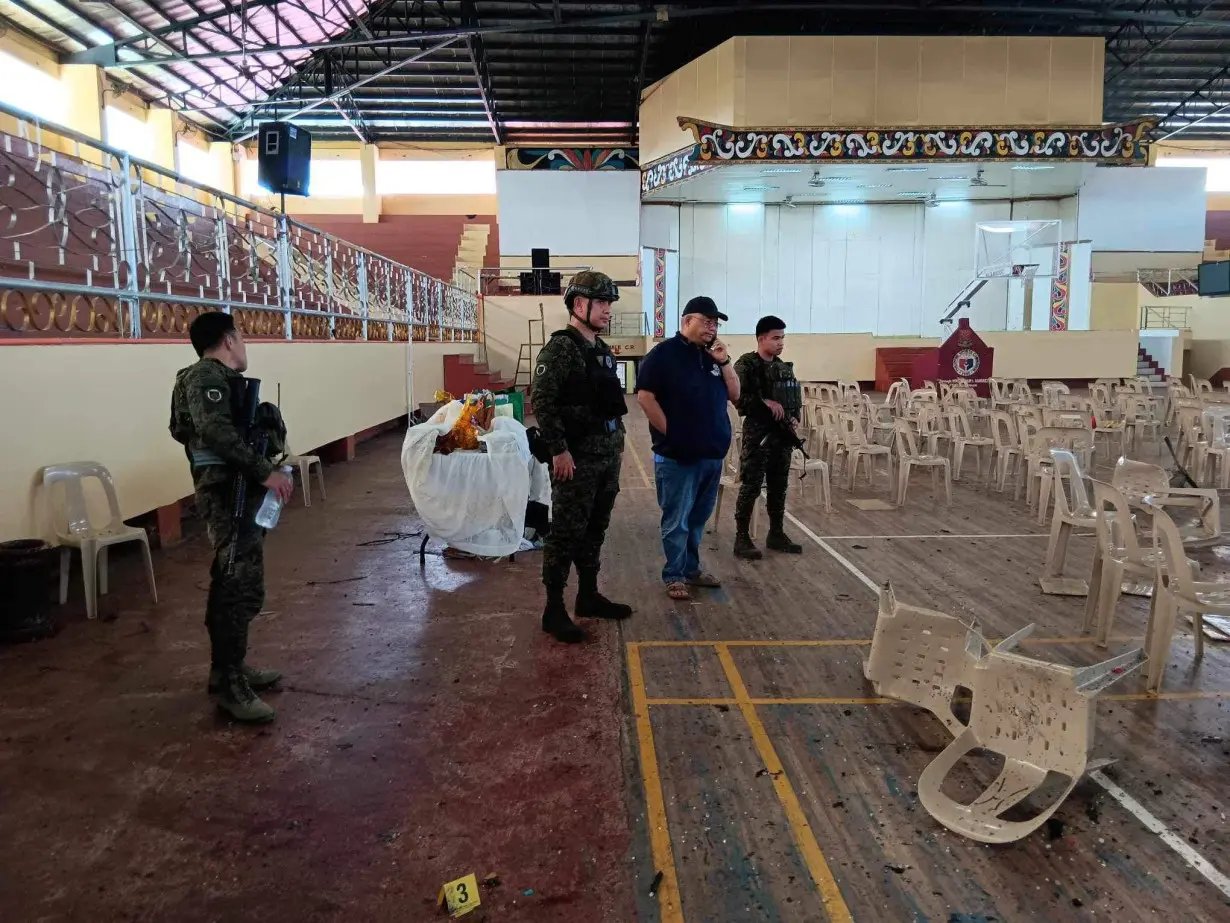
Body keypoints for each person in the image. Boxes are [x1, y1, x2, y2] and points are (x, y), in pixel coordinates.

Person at [169, 312, 294, 723]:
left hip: (236, 490)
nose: (244, 346)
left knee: (236, 580)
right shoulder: (205, 377)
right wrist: (264, 472)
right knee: (236, 584)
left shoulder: (214, 380)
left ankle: (228, 669)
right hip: (227, 494)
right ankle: (229, 686)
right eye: (240, 338)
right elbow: (216, 433)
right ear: (228, 340)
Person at [531, 271, 633, 643]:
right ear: (579, 304)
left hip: (605, 458)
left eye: (609, 303)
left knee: (595, 530)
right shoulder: (561, 349)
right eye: (602, 303)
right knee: (566, 533)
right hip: (575, 460)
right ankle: (553, 607)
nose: (608, 311)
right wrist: (558, 449)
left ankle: (587, 595)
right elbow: (542, 400)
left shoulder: (600, 350)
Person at [636, 296, 740, 600]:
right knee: (677, 520)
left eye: (715, 323)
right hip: (678, 457)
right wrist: (674, 434)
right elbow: (645, 397)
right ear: (686, 322)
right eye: (706, 321)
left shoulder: (712, 358)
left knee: (697, 520)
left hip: (711, 455)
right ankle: (675, 575)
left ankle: (692, 569)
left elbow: (735, 394)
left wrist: (725, 362)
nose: (712, 328)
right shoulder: (663, 355)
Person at [733, 315, 804, 559]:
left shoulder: (784, 368)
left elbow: (793, 397)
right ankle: (741, 537)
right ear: (761, 338)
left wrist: (794, 417)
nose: (780, 343)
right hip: (758, 435)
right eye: (775, 338)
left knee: (779, 486)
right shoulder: (746, 365)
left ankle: (776, 533)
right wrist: (764, 401)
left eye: (782, 338)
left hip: (782, 436)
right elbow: (738, 397)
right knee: (751, 485)